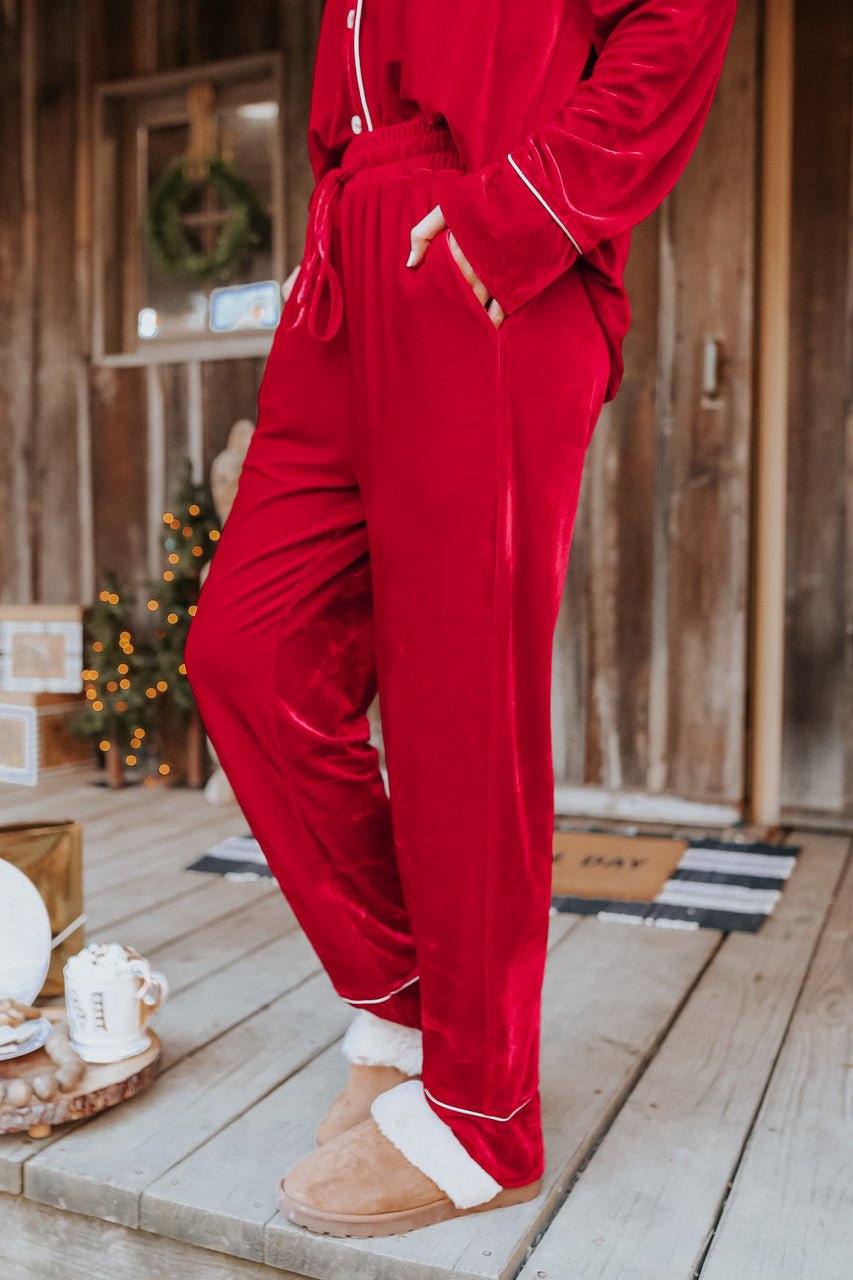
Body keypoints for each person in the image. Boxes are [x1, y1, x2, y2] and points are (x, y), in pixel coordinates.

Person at [184, 0, 738, 1239]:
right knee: (247, 653)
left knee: (458, 702)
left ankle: (485, 1114)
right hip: (348, 253)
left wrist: (522, 211)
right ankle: (408, 1004)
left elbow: (678, 17)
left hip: (484, 233)